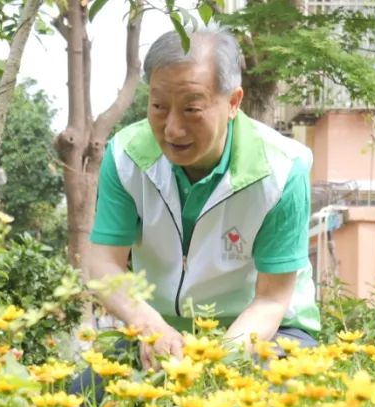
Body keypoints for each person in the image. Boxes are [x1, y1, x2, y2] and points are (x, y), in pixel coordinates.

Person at [83, 25, 320, 373]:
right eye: (159, 107)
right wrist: (150, 327)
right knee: (85, 401)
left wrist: (214, 364)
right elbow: (105, 264)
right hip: (163, 334)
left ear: (234, 102)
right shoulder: (125, 157)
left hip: (269, 330)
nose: (172, 128)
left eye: (192, 109)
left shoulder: (283, 170)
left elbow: (271, 300)